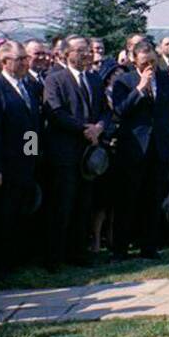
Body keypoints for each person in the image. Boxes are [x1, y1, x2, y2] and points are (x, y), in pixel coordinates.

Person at [0, 41, 44, 276]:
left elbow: (32, 127)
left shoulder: (29, 88)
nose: (26, 62)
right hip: (4, 166)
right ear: (5, 62)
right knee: (1, 218)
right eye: (20, 59)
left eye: (26, 58)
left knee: (20, 214)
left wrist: (33, 156)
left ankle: (16, 260)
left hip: (24, 166)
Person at [41, 35, 109, 268]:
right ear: (66, 54)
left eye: (88, 51)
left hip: (89, 154)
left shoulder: (94, 79)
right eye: (80, 51)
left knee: (83, 205)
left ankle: (78, 253)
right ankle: (55, 257)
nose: (86, 55)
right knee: (62, 205)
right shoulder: (55, 79)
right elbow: (55, 112)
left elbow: (105, 110)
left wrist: (99, 126)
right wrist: (83, 129)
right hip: (65, 152)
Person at [109, 40, 169, 259]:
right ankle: (120, 248)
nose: (149, 66)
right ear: (133, 60)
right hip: (134, 149)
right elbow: (120, 111)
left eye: (152, 61)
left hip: (159, 148)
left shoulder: (168, 81)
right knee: (128, 199)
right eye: (144, 62)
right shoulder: (124, 81)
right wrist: (140, 88)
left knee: (153, 198)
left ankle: (149, 246)